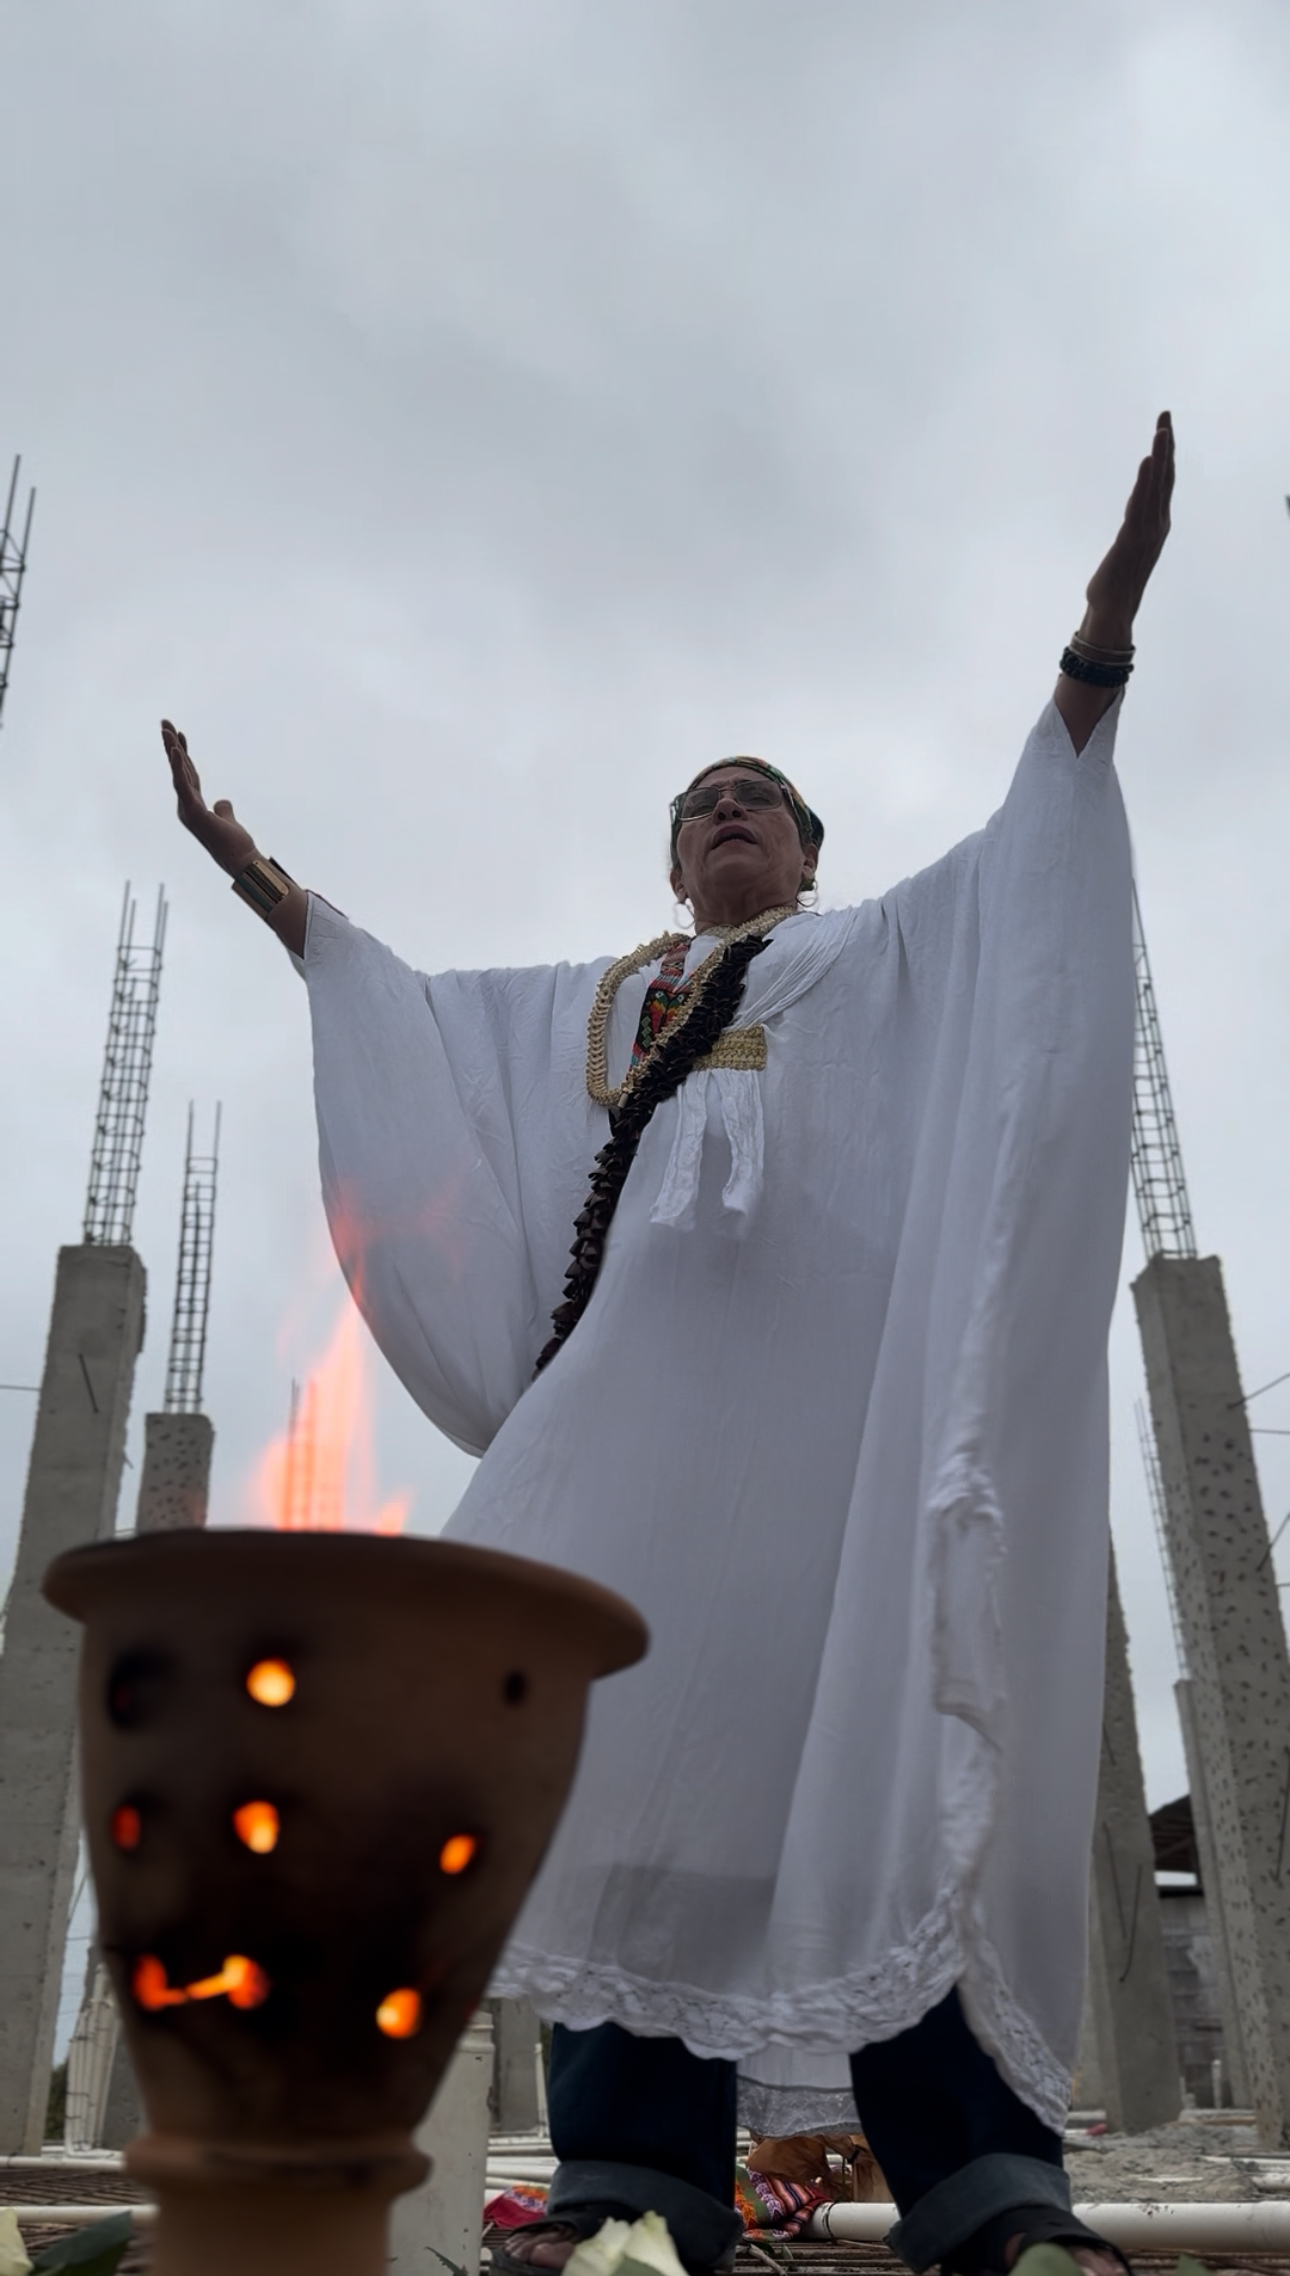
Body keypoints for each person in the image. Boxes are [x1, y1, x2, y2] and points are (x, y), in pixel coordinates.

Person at [163, 414, 1175, 2276]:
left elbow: (1030, 862)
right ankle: (638, 2189)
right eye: (702, 796)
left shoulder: (874, 949)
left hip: (830, 1448)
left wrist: (1094, 648)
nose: (729, 810)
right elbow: (412, 1027)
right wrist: (284, 907)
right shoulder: (595, 999)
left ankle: (984, 2194)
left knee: (878, 1749)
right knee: (613, 1764)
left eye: (761, 798)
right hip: (630, 1444)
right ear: (671, 849)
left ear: (805, 848)